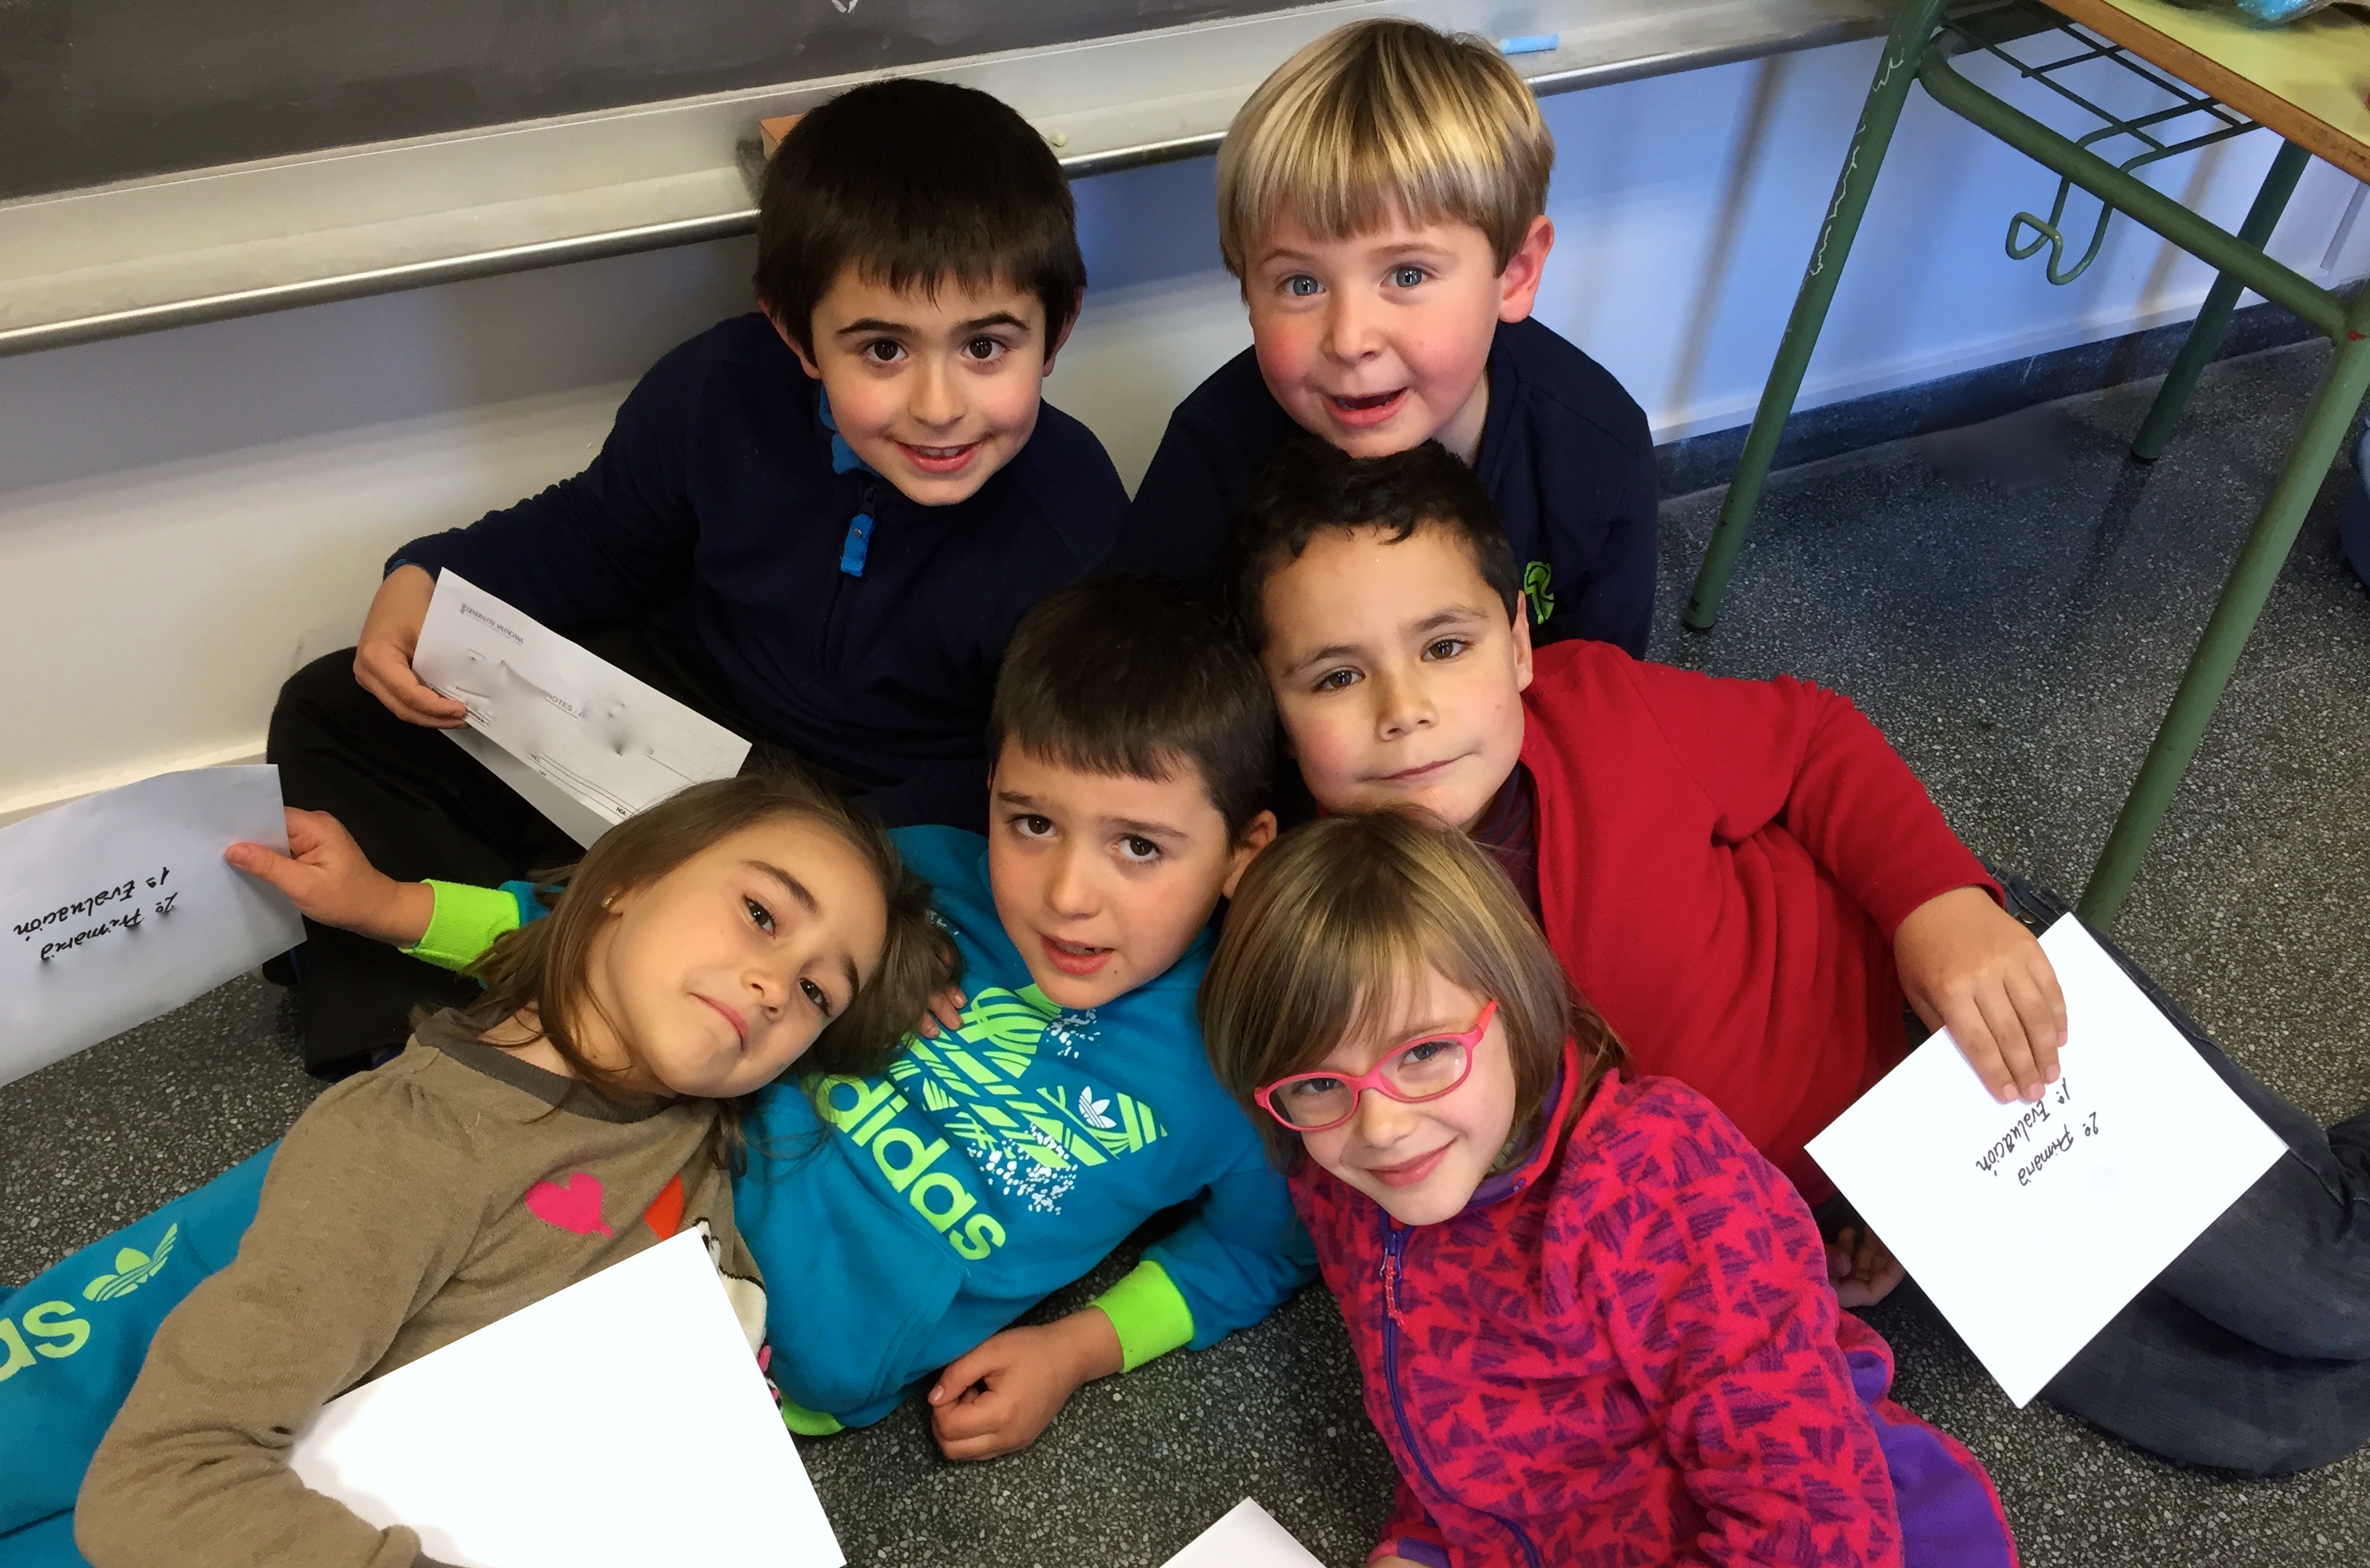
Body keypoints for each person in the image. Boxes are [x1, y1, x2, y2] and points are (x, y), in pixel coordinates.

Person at [5, 584, 1312, 1568]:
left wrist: (1080, 1348)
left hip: (718, 1389)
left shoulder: (1239, 1057)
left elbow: (1261, 1248)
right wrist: (398, 908)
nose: (1069, 892)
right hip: (577, 1172)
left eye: (1139, 846)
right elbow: (643, 943)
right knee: (206, 1300)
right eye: (1031, 823)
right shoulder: (913, 877)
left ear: (1243, 851)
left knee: (310, 1517)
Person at [1226, 435, 2370, 1477]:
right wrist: (1766, 1249)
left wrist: (1939, 903)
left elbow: (1816, 744)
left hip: (1952, 1011)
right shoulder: (1329, 929)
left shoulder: (1605, 709)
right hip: (1877, 1192)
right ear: (1278, 708)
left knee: (2330, 1292)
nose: (1405, 710)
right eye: (1336, 677)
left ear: (1519, 643)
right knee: (2265, 1424)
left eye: (1445, 645)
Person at [65, 775, 1088, 1568]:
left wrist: (902, 990)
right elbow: (151, 1489)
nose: (779, 986)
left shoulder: (706, 1112)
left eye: (820, 991)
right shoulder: (410, 1148)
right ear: (622, 884)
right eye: (761, 913)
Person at [265, 77, 1128, 1073]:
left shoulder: (1072, 524)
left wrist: (870, 865)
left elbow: (1038, 773)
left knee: (862, 970)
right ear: (797, 335)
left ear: (1056, 331)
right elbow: (594, 537)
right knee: (337, 706)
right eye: (883, 350)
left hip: (863, 816)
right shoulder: (718, 388)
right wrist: (425, 575)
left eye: (984, 346)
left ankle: (595, 980)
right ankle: (404, 1042)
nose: (939, 406)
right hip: (668, 720)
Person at [1198, 812, 2087, 1568]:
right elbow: (1462, 1383)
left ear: (1515, 1006)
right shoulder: (1342, 1181)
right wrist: (1437, 1542)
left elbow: (1814, 1542)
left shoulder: (1657, 1176)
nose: (1379, 1125)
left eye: (1423, 1053)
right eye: (1317, 1084)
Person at [1107, 18, 1656, 658]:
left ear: (1515, 273)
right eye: (1302, 284)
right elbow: (1142, 680)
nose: (1349, 341)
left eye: (1407, 274)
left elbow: (1598, 693)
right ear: (1248, 293)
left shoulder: (1596, 451)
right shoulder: (1213, 453)